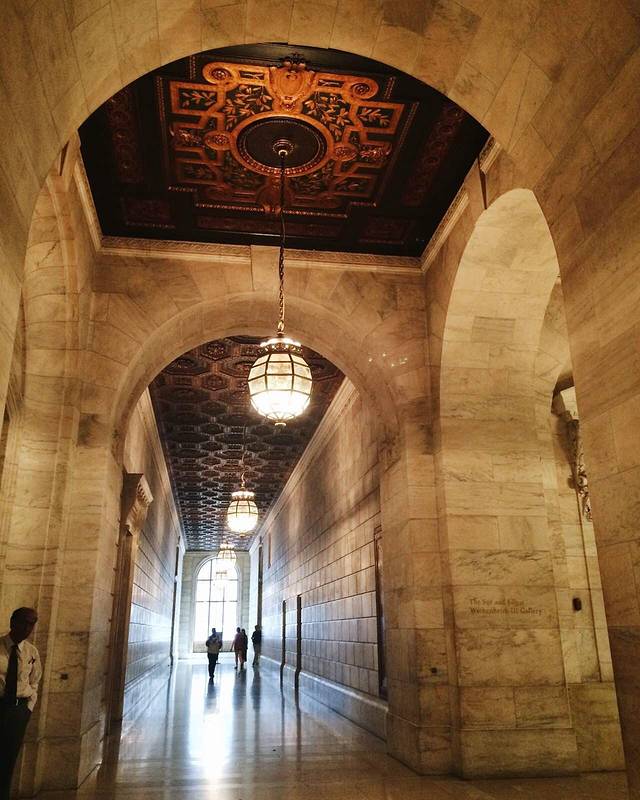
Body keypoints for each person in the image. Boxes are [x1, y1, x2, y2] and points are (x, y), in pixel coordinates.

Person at [0, 608, 42, 800]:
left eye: (31, 624)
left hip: (18, 710)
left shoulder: (31, 652)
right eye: (24, 622)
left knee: (8, 757)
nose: (27, 628)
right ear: (12, 622)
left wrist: (27, 708)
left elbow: (35, 681)